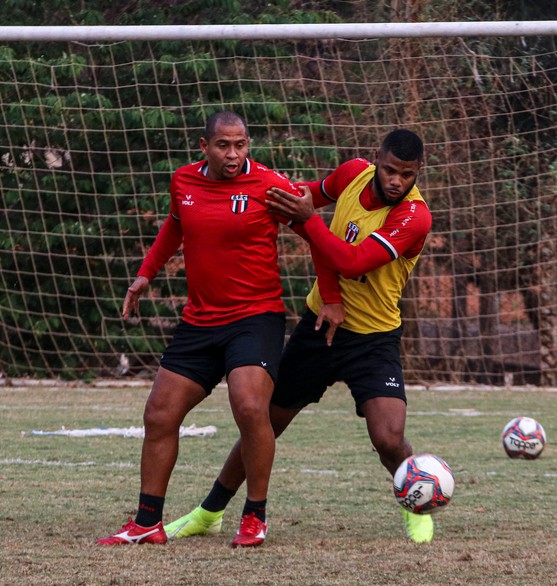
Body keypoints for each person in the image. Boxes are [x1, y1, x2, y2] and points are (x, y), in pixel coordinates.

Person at [162, 128, 438, 543]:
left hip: (373, 338)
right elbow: (303, 196)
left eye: (407, 174)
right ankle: (209, 511)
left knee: (388, 437)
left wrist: (308, 218)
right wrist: (248, 188)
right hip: (318, 328)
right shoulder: (351, 174)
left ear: (419, 172)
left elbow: (350, 260)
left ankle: (416, 505)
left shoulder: (414, 217)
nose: (397, 181)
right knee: (263, 424)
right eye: (390, 170)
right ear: (375, 158)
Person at [97, 111, 307, 548]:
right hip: (200, 320)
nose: (233, 155)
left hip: (256, 317)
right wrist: (146, 274)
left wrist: (336, 297)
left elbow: (313, 229)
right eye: (223, 146)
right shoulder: (184, 182)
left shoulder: (270, 184)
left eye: (241, 145)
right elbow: (174, 226)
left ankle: (254, 517)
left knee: (250, 406)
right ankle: (147, 522)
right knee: (158, 413)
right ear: (204, 145)